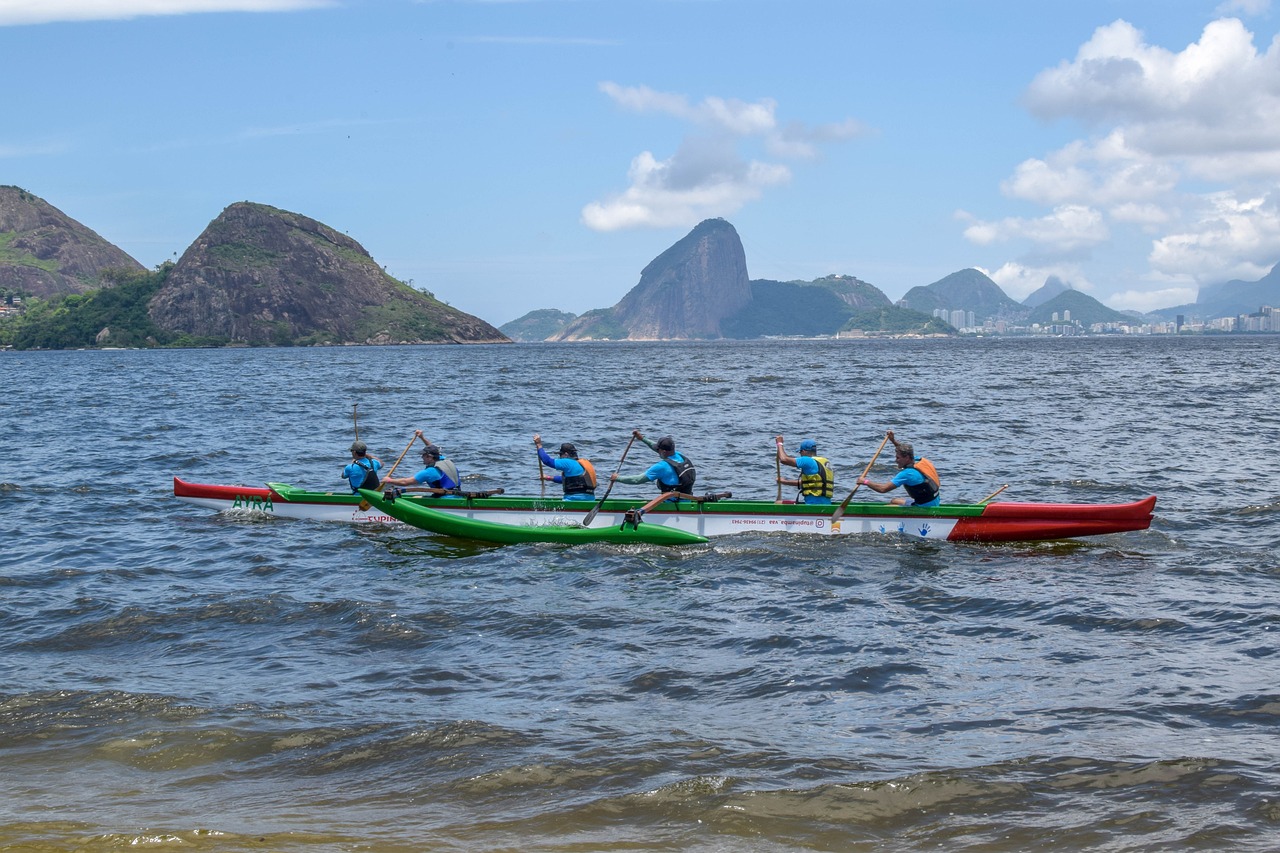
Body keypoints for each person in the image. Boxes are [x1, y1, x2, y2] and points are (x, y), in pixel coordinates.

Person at [858, 430, 940, 507]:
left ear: (907, 458)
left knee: (888, 507)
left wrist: (865, 481)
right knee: (894, 501)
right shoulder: (920, 460)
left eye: (898, 458)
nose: (896, 460)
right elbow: (904, 451)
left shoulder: (907, 474)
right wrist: (893, 440)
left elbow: (883, 489)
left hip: (923, 508)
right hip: (934, 502)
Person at [610, 429, 696, 502]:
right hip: (687, 500)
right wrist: (642, 438)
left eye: (659, 450)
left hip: (672, 505)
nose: (657, 451)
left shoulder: (661, 467)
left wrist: (618, 478)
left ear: (664, 452)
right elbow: (655, 447)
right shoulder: (680, 456)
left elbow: (637, 480)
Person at [533, 434, 597, 501]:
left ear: (566, 454)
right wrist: (549, 478)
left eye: (560, 454)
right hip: (590, 499)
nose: (560, 457)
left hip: (574, 499)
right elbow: (570, 481)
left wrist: (539, 445)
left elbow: (547, 461)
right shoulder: (580, 464)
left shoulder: (568, 462)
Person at [383, 440, 461, 495]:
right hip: (458, 495)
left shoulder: (429, 472)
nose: (421, 457)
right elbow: (433, 448)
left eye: (423, 455)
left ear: (429, 457)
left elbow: (405, 482)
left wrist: (389, 480)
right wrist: (422, 437)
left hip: (444, 499)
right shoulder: (444, 460)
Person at [775, 435, 834, 504]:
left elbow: (783, 459)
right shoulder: (824, 462)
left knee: (778, 503)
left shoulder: (807, 461)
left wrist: (779, 444)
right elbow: (808, 483)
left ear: (803, 451)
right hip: (826, 504)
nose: (800, 455)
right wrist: (784, 482)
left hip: (813, 505)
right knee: (779, 502)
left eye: (800, 452)